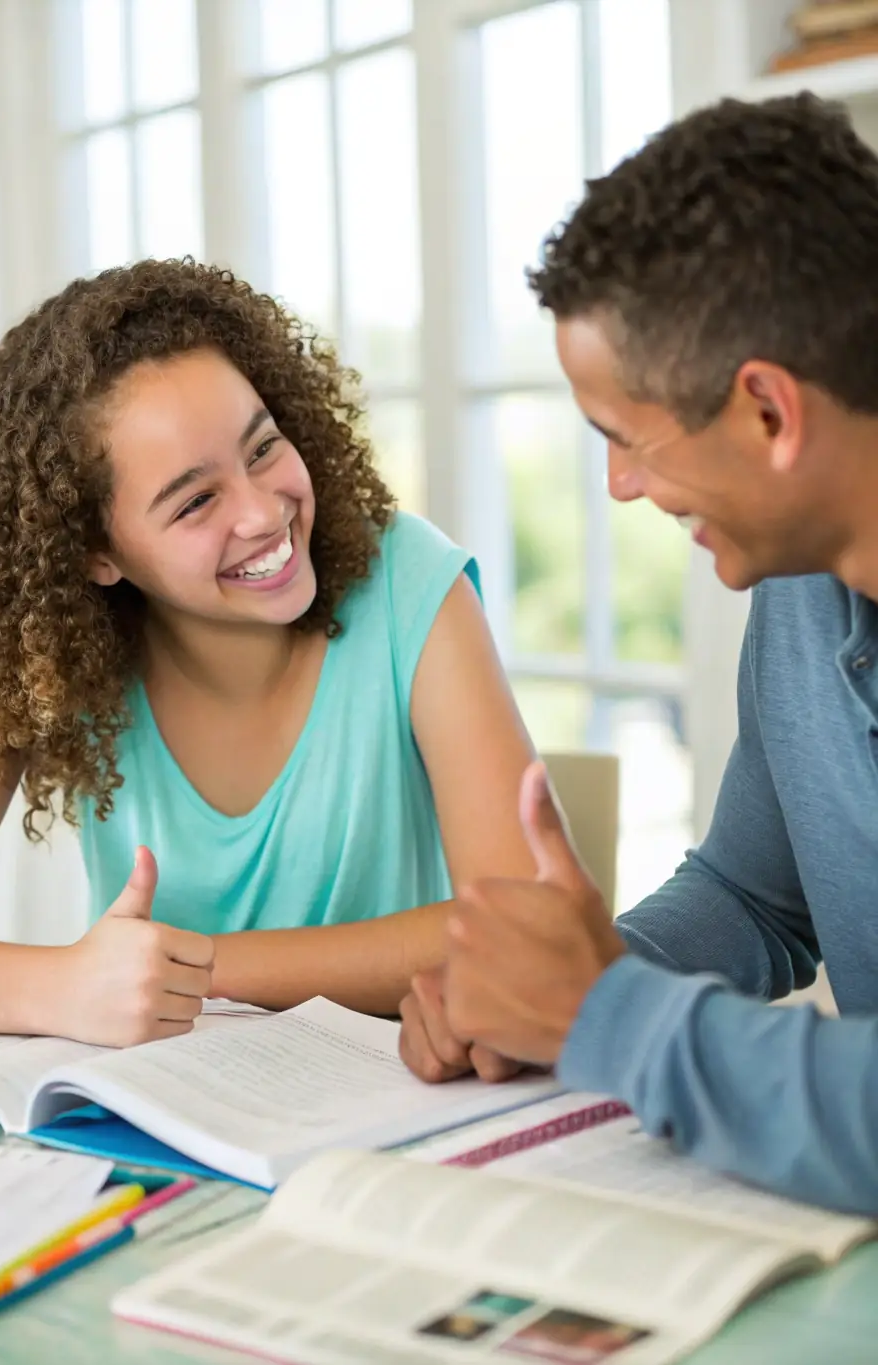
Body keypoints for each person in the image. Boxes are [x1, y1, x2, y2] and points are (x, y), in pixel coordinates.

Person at [0, 260, 538, 1046]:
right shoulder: (52, 655)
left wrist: (195, 967)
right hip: (162, 1121)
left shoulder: (410, 582)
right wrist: (60, 987)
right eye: (195, 501)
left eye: (262, 448)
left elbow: (525, 920)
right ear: (96, 552)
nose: (261, 513)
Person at [400, 93, 878, 1215]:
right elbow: (756, 899)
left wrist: (601, 1017)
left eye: (626, 438)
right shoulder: (807, 583)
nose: (619, 487)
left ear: (767, 410)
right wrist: (545, 988)